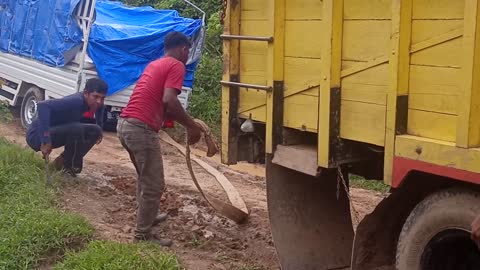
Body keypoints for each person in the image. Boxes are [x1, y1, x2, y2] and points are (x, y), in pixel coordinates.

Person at [117, 31, 202, 246]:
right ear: (183, 49)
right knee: (154, 184)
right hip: (140, 130)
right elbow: (169, 99)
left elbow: (165, 105)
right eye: (188, 51)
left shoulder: (156, 64)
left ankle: (149, 216)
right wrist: (191, 126)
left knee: (145, 178)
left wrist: (189, 123)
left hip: (125, 125)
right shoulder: (176, 65)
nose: (187, 55)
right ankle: (142, 235)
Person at [26, 78, 107, 177]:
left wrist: (99, 129)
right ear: (86, 93)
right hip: (36, 135)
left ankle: (61, 163)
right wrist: (45, 139)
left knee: (95, 130)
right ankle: (68, 168)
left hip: (57, 130)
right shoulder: (77, 101)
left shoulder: (96, 103)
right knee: (77, 128)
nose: (99, 101)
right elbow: (43, 106)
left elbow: (100, 108)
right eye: (95, 96)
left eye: (102, 98)